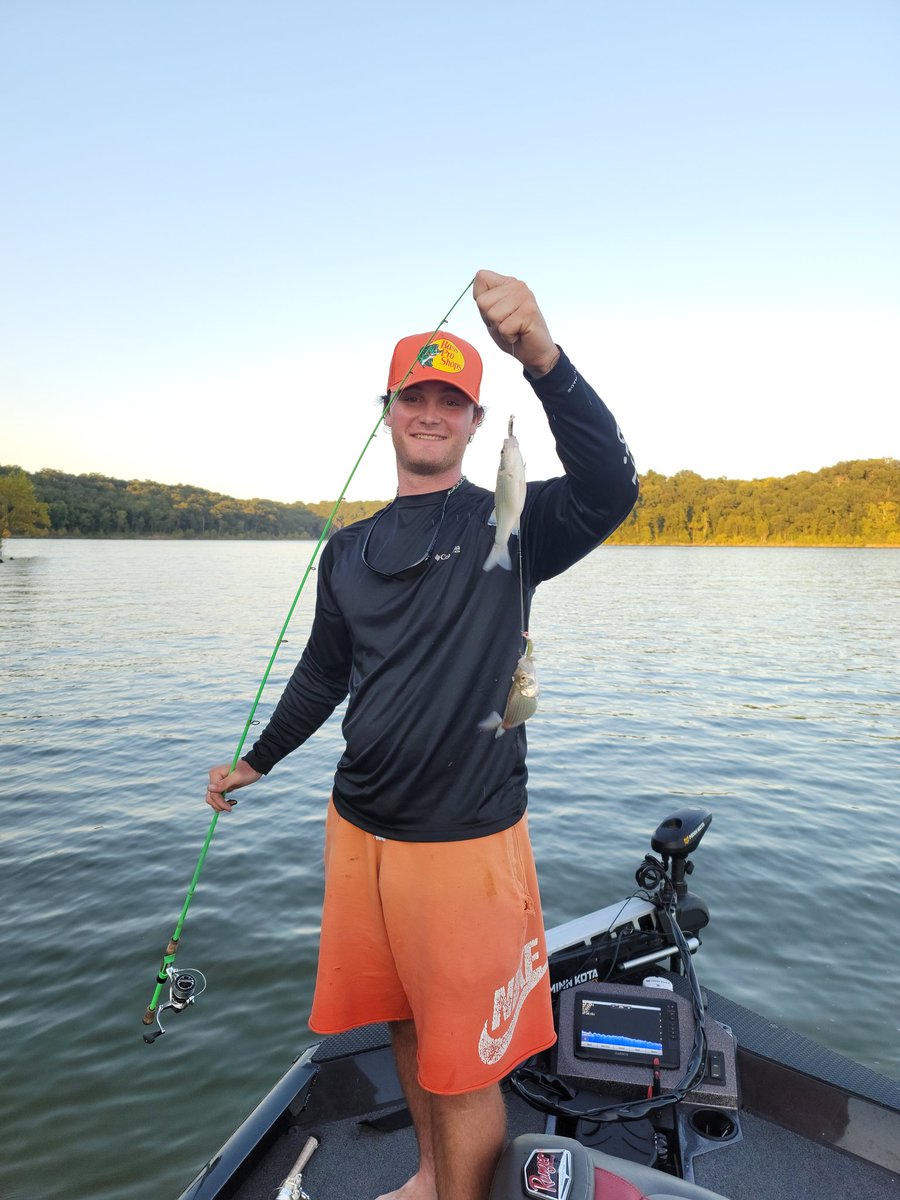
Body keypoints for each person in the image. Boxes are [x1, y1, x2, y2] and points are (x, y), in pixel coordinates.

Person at [205, 270, 639, 1200]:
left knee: (465, 1062)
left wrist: (545, 360)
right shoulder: (349, 550)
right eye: (417, 396)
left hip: (464, 842)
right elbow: (325, 672)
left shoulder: (509, 524)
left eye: (452, 401)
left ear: (476, 421)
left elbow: (611, 485)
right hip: (360, 830)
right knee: (404, 1023)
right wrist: (257, 760)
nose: (432, 413)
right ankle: (433, 1175)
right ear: (389, 410)